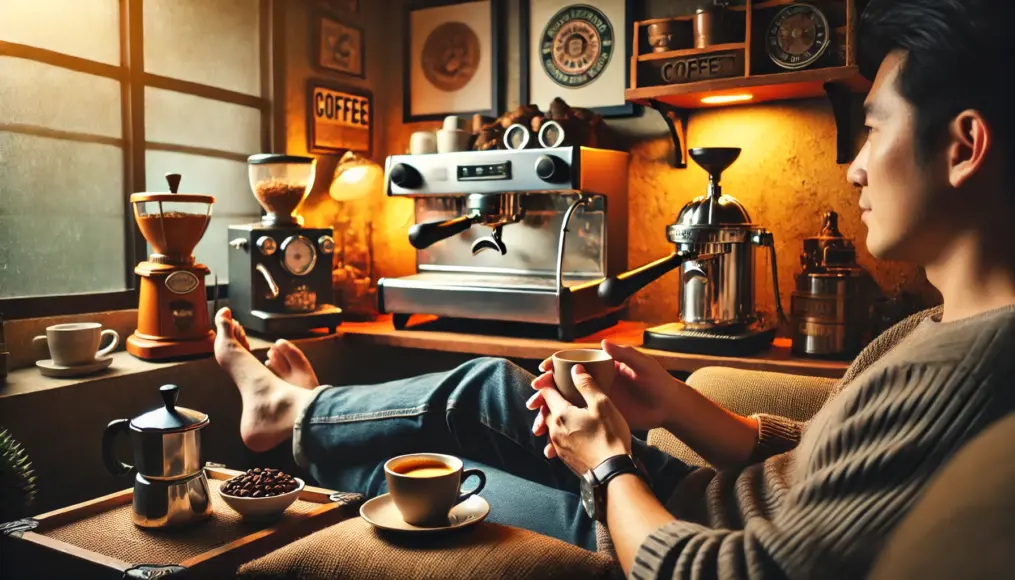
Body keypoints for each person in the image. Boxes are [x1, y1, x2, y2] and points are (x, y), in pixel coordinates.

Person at [212, 0, 1015, 577]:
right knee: (492, 384)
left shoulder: (967, 369)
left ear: (963, 146)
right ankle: (297, 416)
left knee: (434, 476)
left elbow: (737, 569)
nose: (853, 166)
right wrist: (672, 405)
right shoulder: (938, 326)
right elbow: (816, 462)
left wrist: (605, 467)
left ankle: (293, 422)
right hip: (701, 493)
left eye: (872, 129)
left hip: (667, 534)